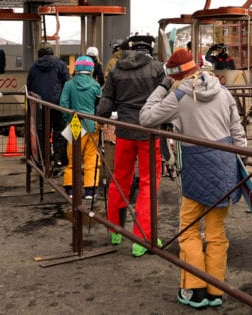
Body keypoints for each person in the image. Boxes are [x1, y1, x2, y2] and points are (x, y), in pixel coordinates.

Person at [140, 47, 246, 309]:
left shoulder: (178, 95)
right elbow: (237, 130)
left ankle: (194, 289)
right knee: (216, 232)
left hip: (197, 165)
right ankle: (216, 289)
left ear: (175, 74)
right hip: (225, 164)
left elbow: (146, 117)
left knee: (188, 229)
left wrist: (163, 87)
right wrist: (241, 162)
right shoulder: (222, 90)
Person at [96, 34, 168, 257]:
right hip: (149, 132)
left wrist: (101, 118)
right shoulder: (157, 69)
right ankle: (142, 238)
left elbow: (106, 101)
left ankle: (115, 230)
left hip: (125, 132)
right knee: (148, 184)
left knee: (119, 179)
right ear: (150, 49)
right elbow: (166, 101)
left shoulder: (117, 69)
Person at [60, 55, 102, 200]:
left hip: (75, 123)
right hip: (91, 124)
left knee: (73, 157)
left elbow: (64, 105)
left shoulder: (69, 85)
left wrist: (69, 120)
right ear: (91, 69)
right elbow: (99, 106)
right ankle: (90, 190)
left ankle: (70, 188)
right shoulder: (95, 85)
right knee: (91, 157)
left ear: (76, 68)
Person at [27, 46, 70, 173]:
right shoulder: (61, 64)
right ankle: (59, 158)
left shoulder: (34, 67)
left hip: (40, 105)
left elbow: (29, 86)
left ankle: (43, 158)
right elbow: (67, 83)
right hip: (57, 104)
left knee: (43, 131)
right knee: (59, 130)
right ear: (53, 53)